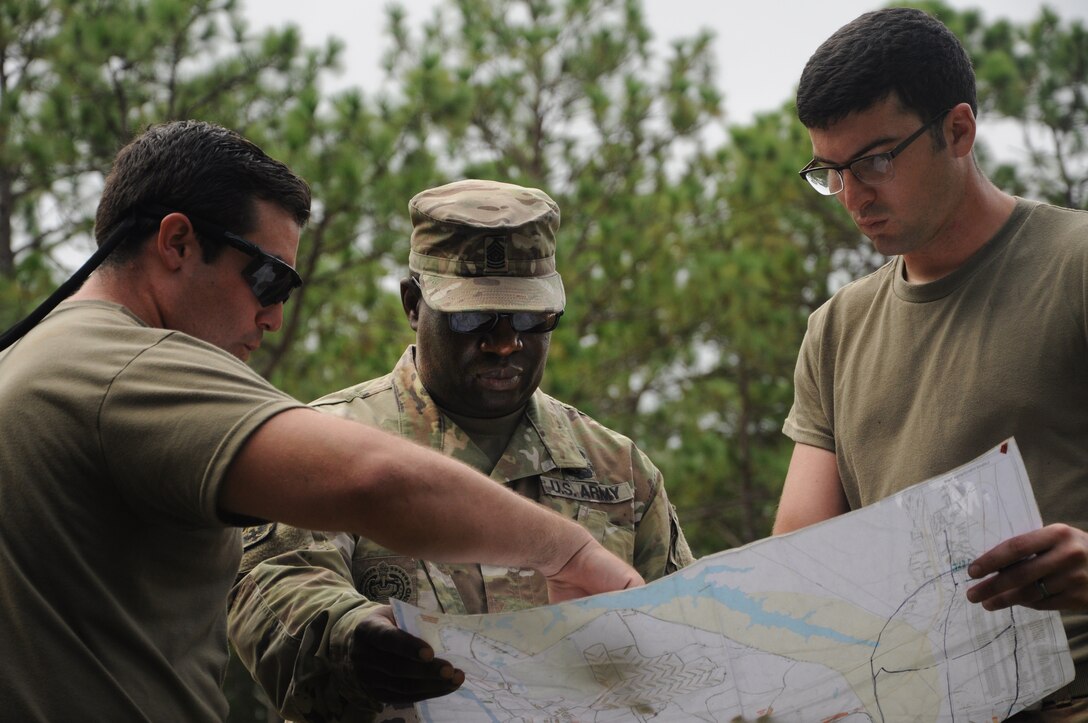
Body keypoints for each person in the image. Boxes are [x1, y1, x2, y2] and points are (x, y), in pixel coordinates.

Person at [0, 123, 645, 722]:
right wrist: (573, 550)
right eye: (268, 279)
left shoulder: (33, 363)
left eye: (532, 322)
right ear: (177, 243)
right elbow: (376, 485)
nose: (274, 316)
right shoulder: (127, 368)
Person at [227, 178, 695, 722]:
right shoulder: (326, 446)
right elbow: (278, 587)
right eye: (472, 318)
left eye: (528, 319)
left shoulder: (618, 471)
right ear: (412, 303)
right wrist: (351, 637)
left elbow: (683, 640)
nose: (504, 343)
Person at [773, 8, 1087, 720]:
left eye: (876, 161)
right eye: (831, 171)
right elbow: (797, 567)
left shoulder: (1074, 267)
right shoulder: (835, 330)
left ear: (959, 131)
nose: (853, 196)